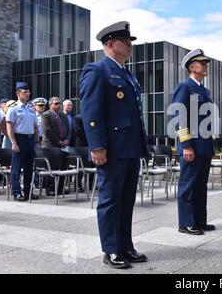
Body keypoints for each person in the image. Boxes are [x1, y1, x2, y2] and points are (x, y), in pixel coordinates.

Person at [79, 21, 148, 269]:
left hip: (130, 147)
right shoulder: (97, 70)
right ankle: (111, 249)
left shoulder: (127, 74)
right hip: (111, 149)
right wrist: (96, 146)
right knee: (110, 199)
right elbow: (90, 111)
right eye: (126, 42)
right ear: (110, 44)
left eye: (130, 42)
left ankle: (125, 246)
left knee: (127, 199)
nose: (130, 46)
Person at [172, 48, 216, 236]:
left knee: (200, 186)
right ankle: (186, 222)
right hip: (192, 146)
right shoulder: (185, 87)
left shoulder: (204, 90)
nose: (206, 66)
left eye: (206, 63)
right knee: (188, 185)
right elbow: (179, 117)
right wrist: (186, 145)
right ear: (192, 67)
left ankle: (199, 220)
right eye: (202, 63)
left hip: (204, 146)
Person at [6, 82, 40, 201]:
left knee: (29, 168)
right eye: (25, 92)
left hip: (30, 139)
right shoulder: (13, 109)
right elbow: (9, 126)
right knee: (16, 168)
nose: (27, 94)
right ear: (18, 93)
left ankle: (27, 192)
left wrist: (37, 141)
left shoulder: (31, 109)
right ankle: (16, 192)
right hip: (19, 139)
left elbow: (35, 126)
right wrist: (14, 143)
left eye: (28, 92)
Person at [41, 97, 72, 196]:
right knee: (51, 168)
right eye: (56, 103)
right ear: (50, 105)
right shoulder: (46, 115)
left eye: (59, 103)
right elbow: (47, 131)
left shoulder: (63, 115)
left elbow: (68, 129)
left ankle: (60, 188)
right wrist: (59, 142)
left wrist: (67, 139)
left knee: (63, 167)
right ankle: (50, 189)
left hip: (63, 145)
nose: (58, 105)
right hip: (51, 146)